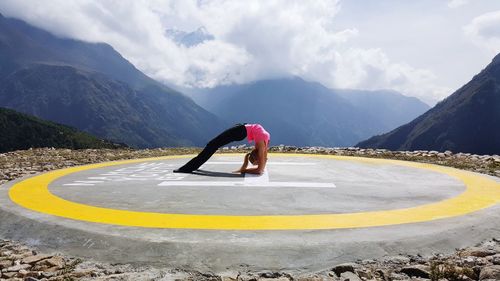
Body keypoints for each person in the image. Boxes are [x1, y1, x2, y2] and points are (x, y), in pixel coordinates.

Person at [174, 123, 270, 174]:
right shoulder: (262, 146)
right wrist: (243, 170)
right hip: (239, 131)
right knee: (212, 145)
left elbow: (263, 162)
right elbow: (260, 169)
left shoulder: (264, 142)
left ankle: (188, 168)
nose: (260, 161)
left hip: (240, 130)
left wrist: (247, 168)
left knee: (212, 145)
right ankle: (190, 167)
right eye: (257, 162)